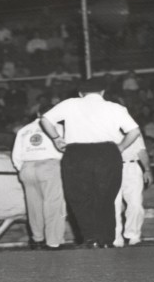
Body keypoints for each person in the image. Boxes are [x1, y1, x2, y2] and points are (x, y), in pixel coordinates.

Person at [40, 77, 141, 248]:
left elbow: (45, 119)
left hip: (77, 153)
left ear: (81, 93)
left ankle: (90, 238)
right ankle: (106, 240)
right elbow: (134, 131)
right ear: (102, 92)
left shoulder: (70, 104)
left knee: (79, 197)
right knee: (106, 197)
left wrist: (56, 138)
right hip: (106, 153)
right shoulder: (115, 107)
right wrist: (121, 147)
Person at [11, 118, 66, 250]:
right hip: (50, 165)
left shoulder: (24, 129)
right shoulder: (59, 128)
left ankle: (37, 239)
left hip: (27, 167)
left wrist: (23, 168)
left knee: (34, 206)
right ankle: (53, 241)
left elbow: (16, 155)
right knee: (54, 205)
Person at [113, 136, 153, 248]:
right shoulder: (105, 129)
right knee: (114, 204)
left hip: (132, 167)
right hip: (111, 167)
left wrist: (147, 170)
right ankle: (115, 237)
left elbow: (141, 151)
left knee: (135, 203)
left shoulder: (134, 131)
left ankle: (133, 235)